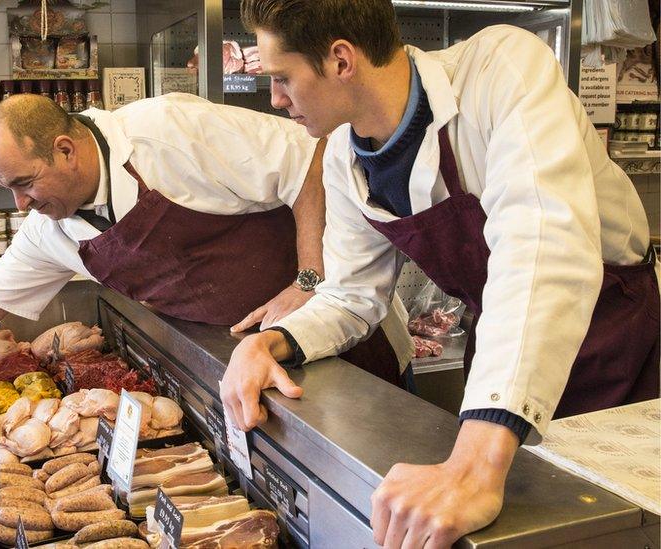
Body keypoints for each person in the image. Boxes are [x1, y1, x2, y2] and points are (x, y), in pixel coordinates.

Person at [222, 1, 660, 547]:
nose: (276, 99)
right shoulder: (342, 155)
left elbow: (542, 251)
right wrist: (273, 343)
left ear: (340, 60)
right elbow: (353, 294)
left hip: (609, 334)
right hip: (501, 340)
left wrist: (476, 464)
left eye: (284, 77)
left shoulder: (502, 68)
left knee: (601, 529)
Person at [0, 92, 413, 443]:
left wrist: (307, 279)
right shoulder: (52, 228)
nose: (20, 205)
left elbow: (313, 157)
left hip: (349, 348)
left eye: (26, 184)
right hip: (241, 365)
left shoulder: (168, 134)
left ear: (66, 148)